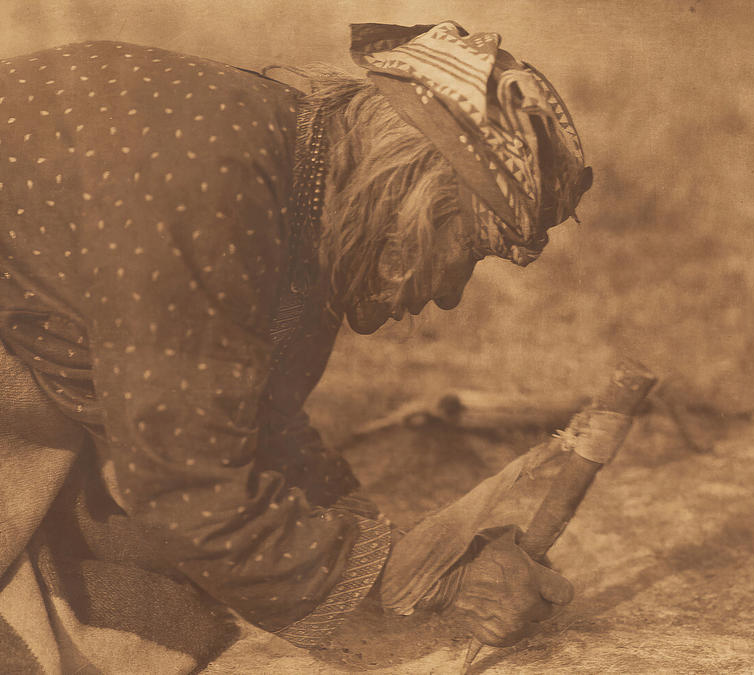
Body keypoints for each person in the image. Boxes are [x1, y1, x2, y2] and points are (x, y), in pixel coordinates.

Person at [0, 21, 592, 672]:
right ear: (412, 196)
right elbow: (186, 481)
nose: (451, 293)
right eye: (468, 251)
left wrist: (396, 544)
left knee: (163, 599)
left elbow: (253, 417)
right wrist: (414, 573)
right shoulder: (212, 182)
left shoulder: (308, 180)